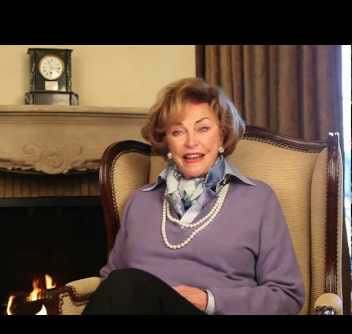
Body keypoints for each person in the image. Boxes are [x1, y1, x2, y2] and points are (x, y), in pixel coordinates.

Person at [82, 77, 305, 315]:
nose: (191, 142)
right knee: (121, 284)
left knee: (125, 284)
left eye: (203, 128)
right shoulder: (139, 202)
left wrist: (208, 300)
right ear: (167, 143)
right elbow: (110, 283)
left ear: (222, 136)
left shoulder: (258, 200)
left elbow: (287, 296)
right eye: (178, 131)